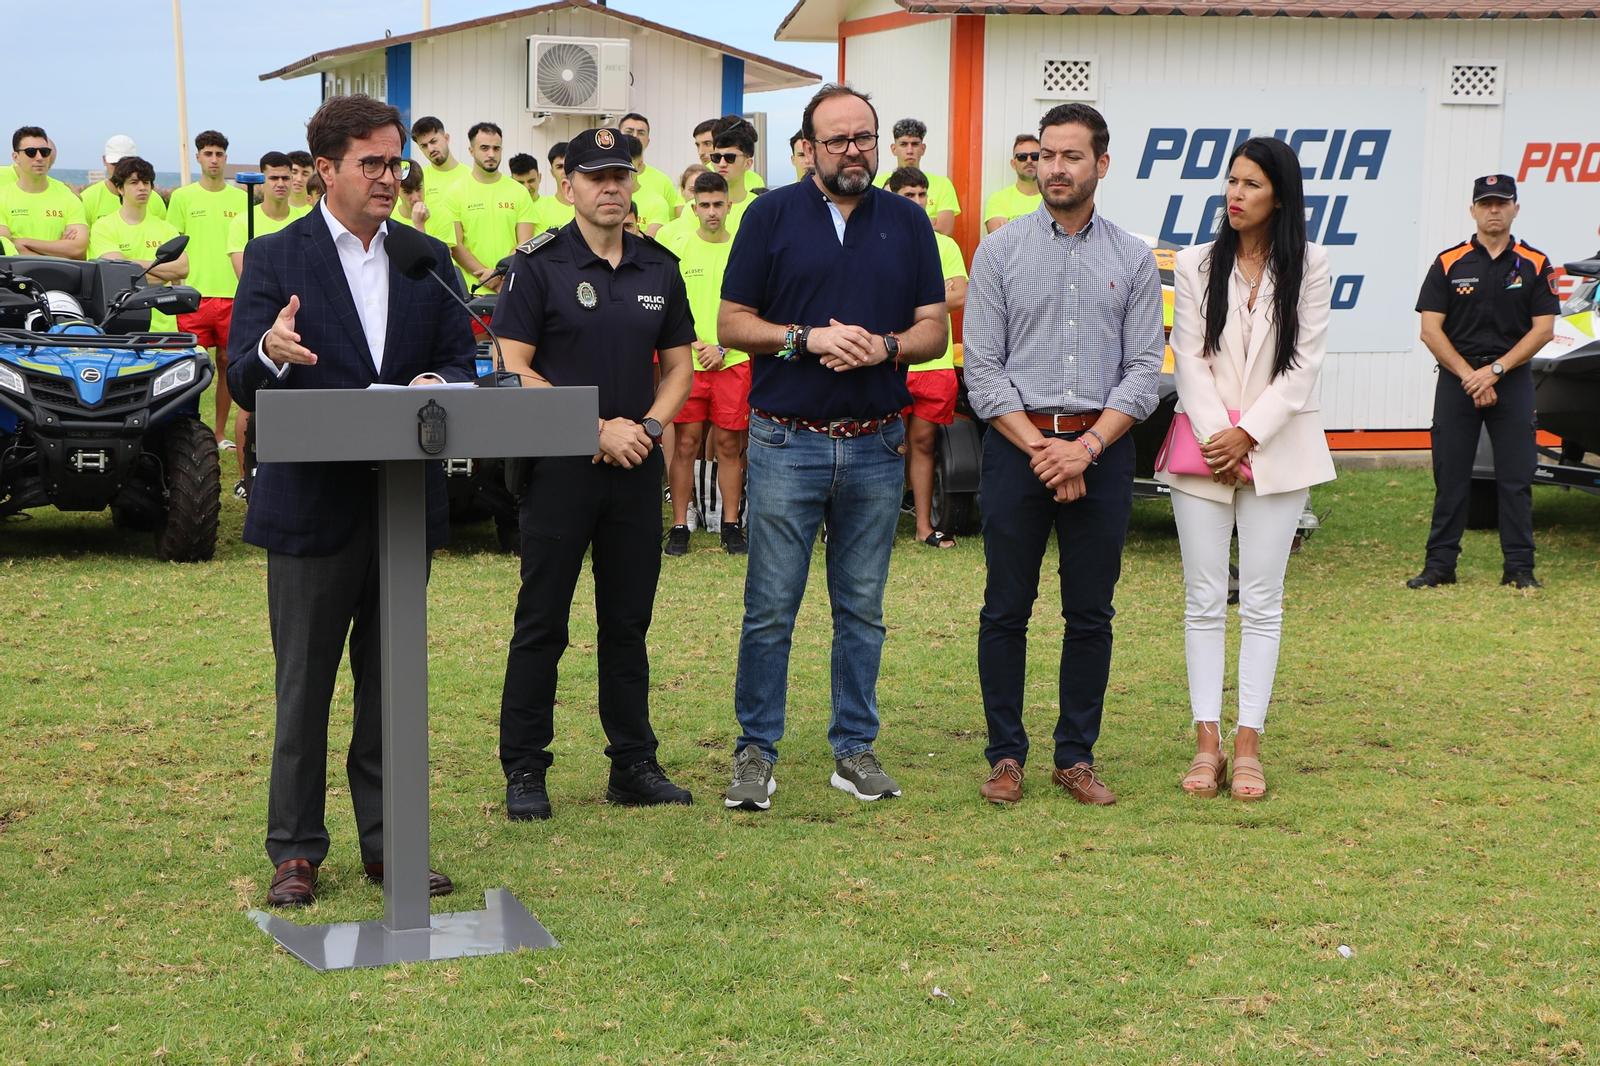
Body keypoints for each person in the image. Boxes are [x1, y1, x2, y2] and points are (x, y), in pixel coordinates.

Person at [227, 93, 476, 909]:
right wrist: (270, 347)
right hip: (311, 508)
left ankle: (391, 843)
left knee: (392, 685)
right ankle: (295, 850)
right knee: (305, 687)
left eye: (395, 161)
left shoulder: (425, 255)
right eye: (370, 162)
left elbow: (459, 359)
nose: (389, 177)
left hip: (403, 506)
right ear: (324, 170)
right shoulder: (274, 258)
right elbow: (240, 376)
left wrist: (443, 381)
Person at [718, 84, 947, 812]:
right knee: (770, 609)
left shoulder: (907, 222)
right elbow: (730, 324)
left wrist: (885, 347)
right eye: (839, 139)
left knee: (861, 609)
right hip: (788, 442)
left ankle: (854, 749)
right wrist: (805, 339)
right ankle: (756, 751)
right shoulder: (769, 214)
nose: (855, 150)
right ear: (808, 147)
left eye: (865, 138)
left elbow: (934, 329)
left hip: (877, 445)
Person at [491, 127, 697, 822]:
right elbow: (512, 366)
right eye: (595, 176)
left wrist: (645, 430)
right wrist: (592, 430)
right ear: (565, 184)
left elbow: (678, 368)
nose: (611, 186)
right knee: (542, 622)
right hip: (558, 469)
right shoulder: (537, 266)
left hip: (636, 467)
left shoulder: (658, 267)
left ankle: (632, 764)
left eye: (622, 174)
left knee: (627, 623)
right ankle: (525, 768)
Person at [961, 103, 1164, 808]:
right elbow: (982, 370)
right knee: (1005, 608)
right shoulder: (1001, 250)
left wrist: (1086, 448)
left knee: (1091, 612)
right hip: (1019, 448)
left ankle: (1075, 756)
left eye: (1070, 156)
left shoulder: (1133, 256)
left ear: (1101, 165)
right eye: (1045, 155)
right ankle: (1006, 756)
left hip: (1100, 449)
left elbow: (1144, 370)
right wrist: (1046, 448)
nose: (1054, 168)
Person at [1158, 137, 1336, 803]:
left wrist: (1247, 436)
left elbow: (1301, 369)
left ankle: (1248, 743)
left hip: (1278, 449)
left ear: (1280, 197)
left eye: (1251, 185)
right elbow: (1190, 357)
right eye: (1231, 181)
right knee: (1203, 601)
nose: (1235, 194)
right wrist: (1218, 441)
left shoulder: (1311, 265)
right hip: (1204, 449)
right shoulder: (1199, 261)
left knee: (1262, 603)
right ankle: (1206, 743)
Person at [1408, 174, 1558, 591]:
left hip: (1510, 380)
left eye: (1502, 203)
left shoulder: (1534, 262)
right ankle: (1439, 567)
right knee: (1451, 476)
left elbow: (1543, 330)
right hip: (1458, 379)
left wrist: (1495, 372)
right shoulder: (1449, 262)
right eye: (1486, 203)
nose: (1494, 210)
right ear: (1473, 210)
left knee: (1516, 477)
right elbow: (1430, 330)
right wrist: (1470, 375)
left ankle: (1519, 570)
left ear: (1515, 208)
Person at [665, 171, 749, 557]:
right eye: (705, 205)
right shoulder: (679, 248)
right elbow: (671, 309)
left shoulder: (743, 250)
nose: (712, 212)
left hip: (732, 361)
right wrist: (697, 344)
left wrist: (721, 345)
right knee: (685, 445)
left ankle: (731, 525)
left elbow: (753, 309)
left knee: (730, 445)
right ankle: (680, 524)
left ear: (730, 205)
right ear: (692, 207)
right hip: (690, 362)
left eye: (719, 204)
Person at [887, 166, 969, 548]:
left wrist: (911, 302)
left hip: (933, 365)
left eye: (923, 195)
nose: (919, 202)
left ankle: (923, 527)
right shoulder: (878, 238)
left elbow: (962, 295)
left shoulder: (946, 245)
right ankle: (875, 528)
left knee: (922, 443)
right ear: (891, 196)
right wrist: (933, 298)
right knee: (883, 443)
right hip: (889, 361)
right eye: (909, 195)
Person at [225, 152, 308, 496]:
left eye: (286, 178)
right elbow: (247, 278)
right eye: (273, 178)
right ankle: (247, 478)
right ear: (262, 180)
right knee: (251, 402)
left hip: (298, 318)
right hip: (261, 317)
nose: (280, 184)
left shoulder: (305, 218)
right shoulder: (244, 222)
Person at [168, 130, 247, 447]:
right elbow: (172, 247)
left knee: (229, 364)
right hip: (195, 296)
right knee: (189, 366)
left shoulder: (241, 199)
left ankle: (219, 433)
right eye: (208, 153)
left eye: (219, 154)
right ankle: (187, 430)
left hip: (232, 295)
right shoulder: (182, 197)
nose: (214, 159)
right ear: (198, 157)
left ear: (225, 158)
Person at [88, 155, 189, 333]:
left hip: (162, 328)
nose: (142, 187)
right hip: (121, 323)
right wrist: (162, 273)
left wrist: (133, 266)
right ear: (120, 188)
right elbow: (118, 276)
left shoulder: (166, 228)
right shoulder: (103, 227)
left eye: (147, 182)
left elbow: (182, 269)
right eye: (134, 182)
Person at [442, 121, 537, 293]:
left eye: (496, 148)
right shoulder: (454, 192)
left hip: (511, 289)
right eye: (484, 148)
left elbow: (525, 243)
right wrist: (489, 277)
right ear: (471, 151)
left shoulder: (519, 191)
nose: (491, 154)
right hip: (471, 294)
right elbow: (456, 246)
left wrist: (499, 274)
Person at [0, 127, 88, 260]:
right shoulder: (3, 197)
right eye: (31, 152)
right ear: (16, 157)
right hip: (17, 277)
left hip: (60, 278)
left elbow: (78, 249)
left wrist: (24, 242)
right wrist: (59, 251)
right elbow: (5, 248)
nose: (39, 157)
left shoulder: (67, 196)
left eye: (44, 152)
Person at [872, 119, 959, 236]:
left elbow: (945, 231)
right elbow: (874, 226)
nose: (909, 151)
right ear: (894, 149)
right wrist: (929, 221)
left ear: (923, 148)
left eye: (915, 144)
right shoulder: (876, 183)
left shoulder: (943, 184)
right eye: (903, 144)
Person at [82, 135, 167, 228]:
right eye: (115, 164)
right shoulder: (87, 199)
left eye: (126, 164)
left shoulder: (154, 200)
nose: (120, 168)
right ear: (104, 159)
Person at [618, 112, 684, 220]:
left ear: (648, 142)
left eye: (641, 132)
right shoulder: (606, 179)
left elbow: (672, 223)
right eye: (629, 131)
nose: (635, 136)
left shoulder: (663, 181)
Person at [984, 135, 1043, 233]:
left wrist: (1012, 231)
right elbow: (999, 242)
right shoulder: (998, 200)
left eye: (1035, 156)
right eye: (1022, 157)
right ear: (1013, 164)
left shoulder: (1055, 199)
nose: (1029, 160)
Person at [709, 125, 760, 236]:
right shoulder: (696, 207)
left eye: (730, 158)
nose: (722, 164)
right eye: (716, 158)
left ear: (748, 163)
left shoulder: (760, 206)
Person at [651, 164, 708, 252]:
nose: (698, 196)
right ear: (682, 190)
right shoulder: (665, 233)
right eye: (693, 190)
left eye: (704, 190)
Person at [410, 115, 470, 198]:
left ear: (446, 138)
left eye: (433, 141)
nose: (430, 149)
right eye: (424, 146)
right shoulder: (419, 180)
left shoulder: (470, 176)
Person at [623, 136, 670, 235]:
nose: (624, 171)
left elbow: (648, 243)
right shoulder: (603, 198)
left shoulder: (657, 203)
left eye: (629, 166)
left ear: (639, 164)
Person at [531, 142, 576, 233]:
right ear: (552, 172)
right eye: (559, 167)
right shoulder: (538, 209)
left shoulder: (590, 204)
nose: (565, 171)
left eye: (568, 165)